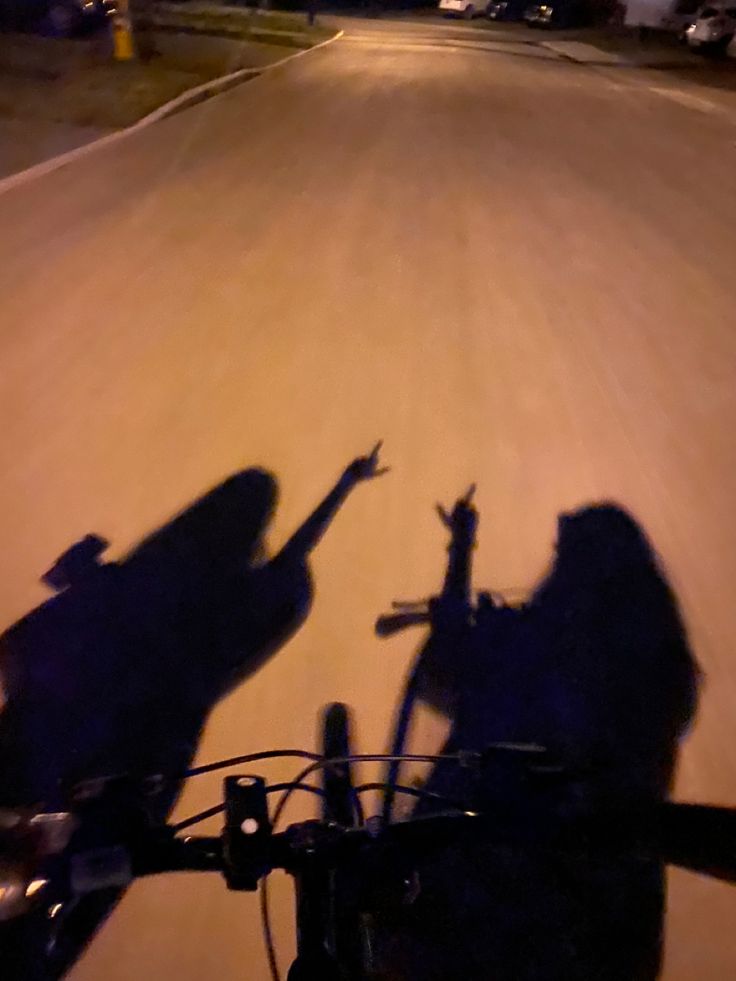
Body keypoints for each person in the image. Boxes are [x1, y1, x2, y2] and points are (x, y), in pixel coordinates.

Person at [374, 502, 700, 981]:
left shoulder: (535, 645)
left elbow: (448, 667)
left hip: (490, 896)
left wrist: (461, 551)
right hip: (601, 913)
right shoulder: (658, 662)